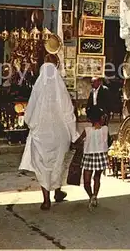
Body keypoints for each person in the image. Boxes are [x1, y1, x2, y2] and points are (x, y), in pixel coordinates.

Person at [19, 63, 78, 210]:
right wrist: (73, 134)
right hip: (59, 134)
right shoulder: (61, 89)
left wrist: (30, 124)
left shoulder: (38, 89)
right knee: (58, 164)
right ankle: (57, 192)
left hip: (42, 135)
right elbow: (68, 112)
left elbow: (30, 112)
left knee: (43, 166)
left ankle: (46, 200)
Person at [75, 107, 110, 210]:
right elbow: (107, 141)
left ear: (89, 119)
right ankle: (95, 195)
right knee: (97, 178)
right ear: (101, 118)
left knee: (86, 181)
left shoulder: (87, 130)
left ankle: (91, 196)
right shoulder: (105, 129)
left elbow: (78, 142)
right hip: (100, 156)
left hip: (88, 157)